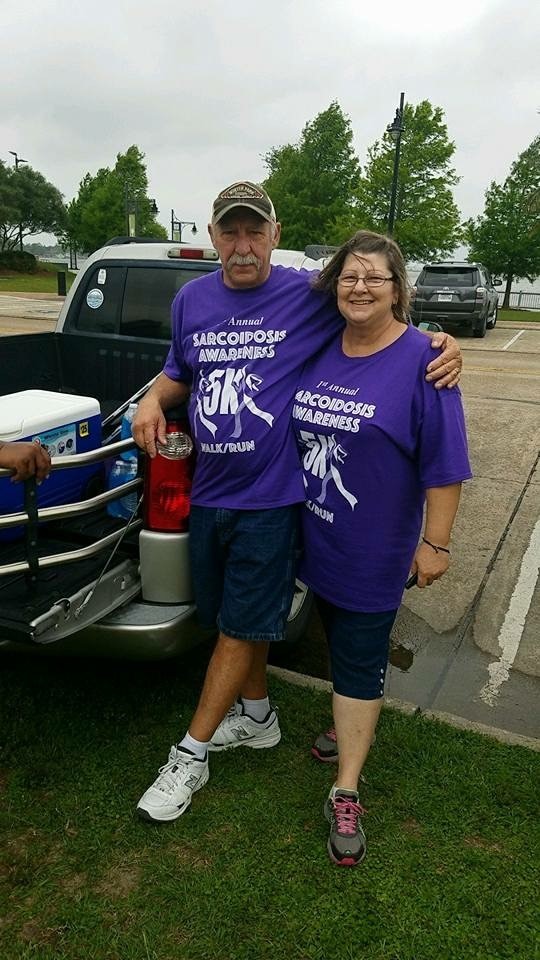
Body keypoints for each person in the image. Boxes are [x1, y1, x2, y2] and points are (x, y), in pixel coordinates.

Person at [132, 181, 463, 824]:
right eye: (231, 231)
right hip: (210, 493)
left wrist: (440, 342)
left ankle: (190, 755)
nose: (243, 245)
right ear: (213, 235)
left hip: (272, 498)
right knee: (229, 617)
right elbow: (178, 372)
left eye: (255, 231)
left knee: (237, 628)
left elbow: (376, 311)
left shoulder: (306, 293)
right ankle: (258, 716)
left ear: (274, 235)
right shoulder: (190, 300)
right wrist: (152, 399)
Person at [291, 230, 472, 866]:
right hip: (317, 538)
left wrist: (436, 543)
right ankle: (349, 724)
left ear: (399, 290)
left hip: (375, 550)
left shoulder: (426, 360)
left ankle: (346, 788)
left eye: (375, 277)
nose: (360, 286)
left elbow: (445, 465)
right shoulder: (322, 344)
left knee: (362, 656)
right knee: (338, 640)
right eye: (349, 276)